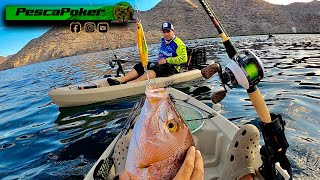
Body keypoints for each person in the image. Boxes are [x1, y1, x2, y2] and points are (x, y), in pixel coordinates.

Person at [107, 22, 188, 86]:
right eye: (164, 32)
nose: (166, 34)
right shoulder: (163, 40)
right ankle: (121, 80)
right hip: (159, 64)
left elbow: (184, 59)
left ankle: (133, 83)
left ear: (173, 31)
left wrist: (167, 60)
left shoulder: (179, 44)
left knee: (155, 69)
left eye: (168, 31)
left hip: (172, 67)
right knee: (141, 65)